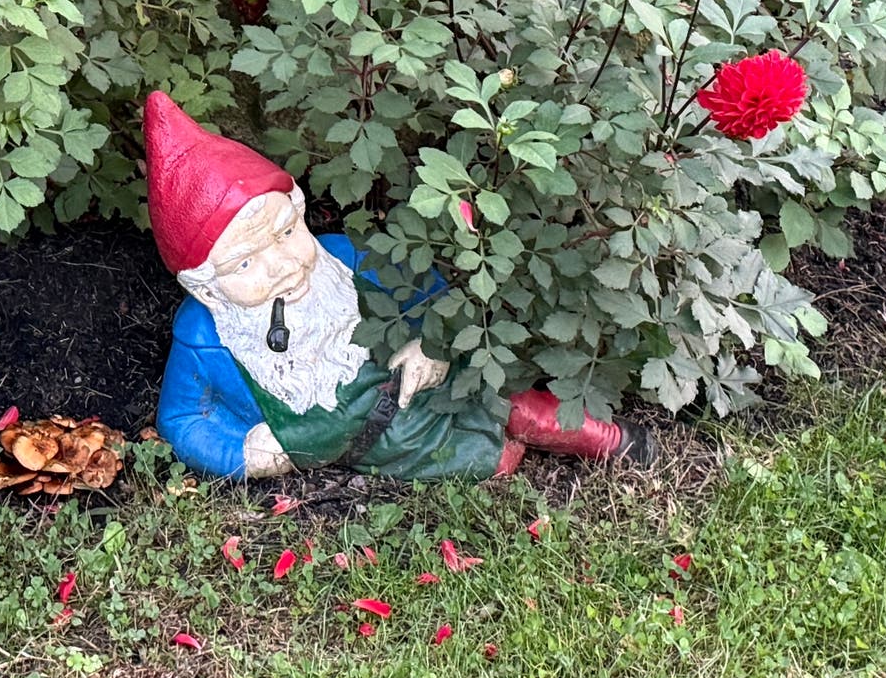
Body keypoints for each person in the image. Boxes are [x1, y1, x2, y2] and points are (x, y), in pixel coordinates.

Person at [146, 92, 628, 481]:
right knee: (495, 461)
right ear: (206, 287)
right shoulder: (204, 337)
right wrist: (243, 451)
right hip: (387, 450)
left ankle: (613, 441)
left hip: (425, 391)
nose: (282, 266)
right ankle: (504, 453)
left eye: (288, 232)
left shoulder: (345, 259)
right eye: (247, 261)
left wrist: (433, 347)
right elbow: (182, 420)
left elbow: (438, 293)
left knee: (520, 409)